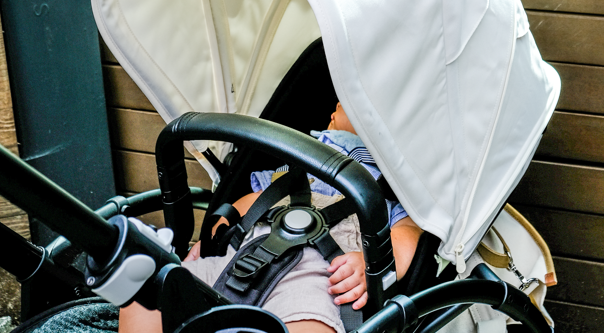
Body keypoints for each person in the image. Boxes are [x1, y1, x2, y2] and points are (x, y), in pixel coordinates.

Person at [119, 103, 421, 333]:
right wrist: (217, 232)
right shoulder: (298, 160)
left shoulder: (391, 188)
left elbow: (406, 234)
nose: (337, 106)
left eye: (352, 101)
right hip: (240, 261)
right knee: (151, 289)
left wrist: (370, 263)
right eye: (341, 102)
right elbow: (255, 201)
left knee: (312, 322)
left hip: (316, 274)